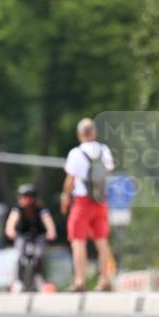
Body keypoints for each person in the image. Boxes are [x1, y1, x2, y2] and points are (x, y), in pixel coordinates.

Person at [61, 117, 115, 292]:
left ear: (79, 134)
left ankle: (79, 280)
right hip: (100, 201)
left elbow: (70, 180)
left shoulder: (76, 153)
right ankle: (105, 279)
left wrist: (66, 197)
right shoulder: (104, 150)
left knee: (78, 241)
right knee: (102, 241)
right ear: (94, 132)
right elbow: (107, 172)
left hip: (83, 202)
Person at [5, 184, 57, 291]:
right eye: (22, 197)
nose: (23, 200)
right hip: (22, 235)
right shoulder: (17, 209)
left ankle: (40, 279)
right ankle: (18, 281)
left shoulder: (40, 209)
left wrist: (51, 231)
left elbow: (47, 220)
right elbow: (12, 220)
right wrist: (10, 230)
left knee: (38, 256)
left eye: (26, 197)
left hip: (38, 235)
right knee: (20, 256)